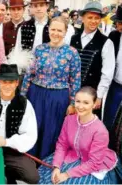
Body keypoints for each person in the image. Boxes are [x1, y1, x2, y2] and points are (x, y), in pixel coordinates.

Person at [21, 17, 81, 159]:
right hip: (36, 94)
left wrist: (73, 103)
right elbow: (29, 74)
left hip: (59, 97)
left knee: (52, 129)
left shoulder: (72, 53)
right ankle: (30, 160)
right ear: (48, 30)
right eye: (53, 29)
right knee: (34, 126)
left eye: (59, 30)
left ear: (65, 32)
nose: (55, 33)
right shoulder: (39, 49)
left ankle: (47, 162)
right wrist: (22, 95)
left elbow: (75, 79)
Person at [38, 87, 118, 184]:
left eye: (86, 103)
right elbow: (62, 145)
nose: (80, 106)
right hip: (71, 155)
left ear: (94, 104)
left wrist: (67, 174)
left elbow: (94, 163)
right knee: (47, 178)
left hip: (90, 165)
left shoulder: (101, 131)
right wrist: (57, 167)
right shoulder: (69, 120)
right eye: (78, 101)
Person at [70, 1, 115, 120]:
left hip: (91, 95)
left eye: (97, 18)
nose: (93, 21)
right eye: (90, 17)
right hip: (70, 92)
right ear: (83, 18)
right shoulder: (72, 39)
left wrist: (99, 96)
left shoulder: (106, 43)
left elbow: (107, 73)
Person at [104, 5, 122, 131]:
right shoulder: (114, 36)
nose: (118, 26)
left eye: (121, 23)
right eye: (117, 23)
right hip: (116, 86)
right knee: (109, 120)